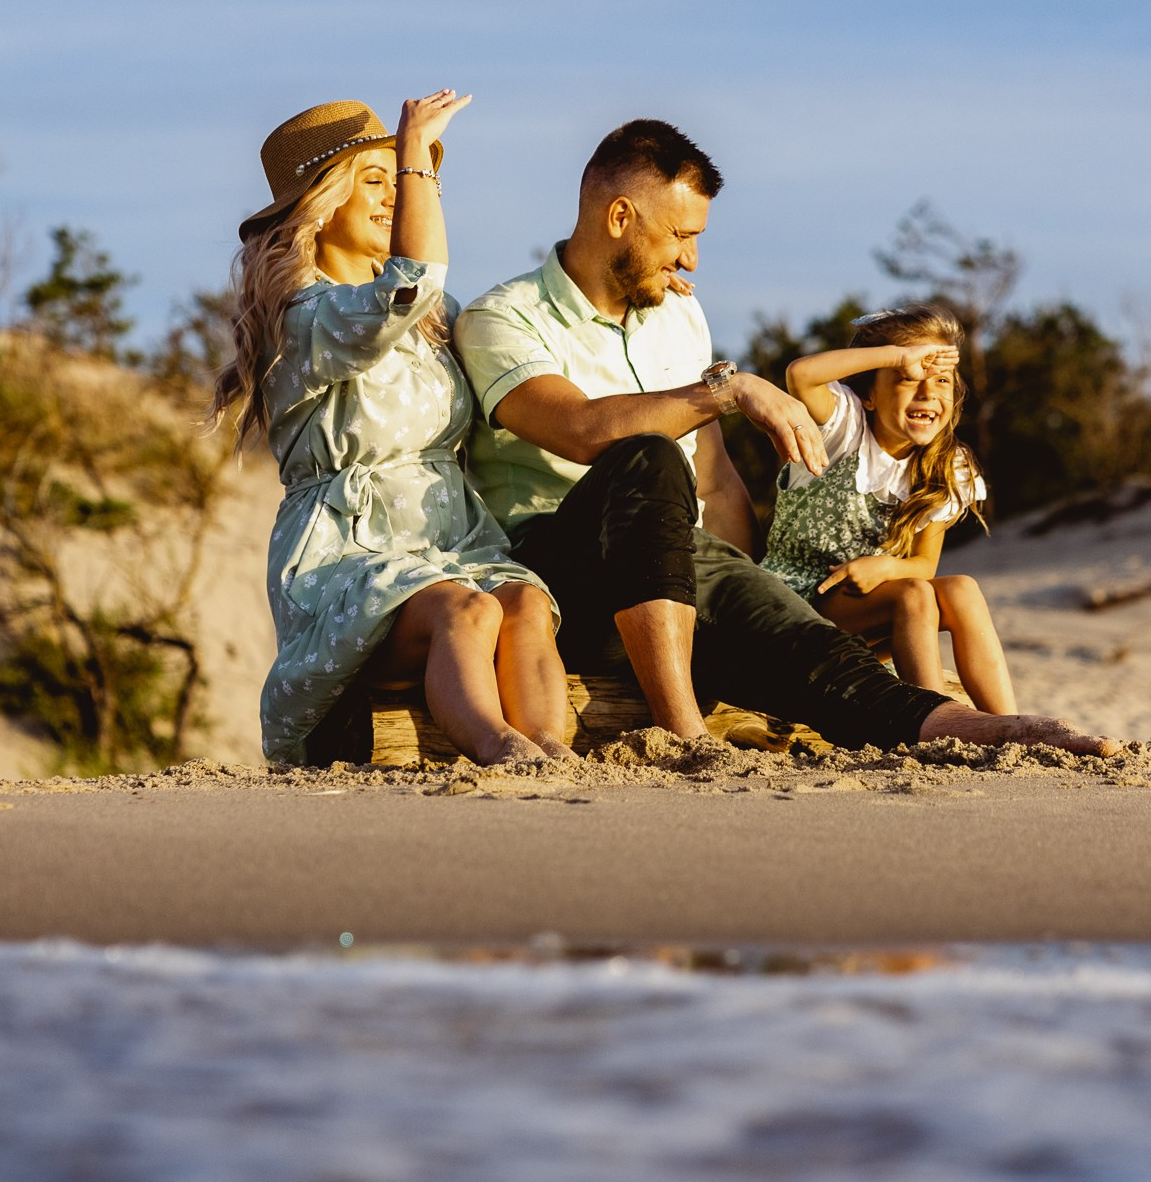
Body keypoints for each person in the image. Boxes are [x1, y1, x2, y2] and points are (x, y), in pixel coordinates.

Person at [456, 117, 1115, 755]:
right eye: (680, 234)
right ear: (620, 218)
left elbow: (712, 476)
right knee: (647, 455)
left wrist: (751, 590)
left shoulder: (678, 315)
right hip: (558, 578)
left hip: (668, 567)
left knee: (794, 634)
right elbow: (579, 430)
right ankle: (683, 735)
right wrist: (728, 390)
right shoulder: (503, 319)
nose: (691, 256)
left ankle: (980, 729)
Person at [215, 92, 570, 766]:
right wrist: (414, 159)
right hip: (351, 555)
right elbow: (409, 284)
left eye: (397, 179)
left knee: (522, 601)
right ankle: (499, 752)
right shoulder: (305, 319)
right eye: (374, 180)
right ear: (322, 203)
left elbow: (497, 342)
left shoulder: (438, 320)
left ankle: (551, 754)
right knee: (463, 610)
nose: (394, 197)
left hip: (454, 540)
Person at [763, 305, 1019, 713]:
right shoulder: (843, 430)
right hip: (791, 606)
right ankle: (932, 720)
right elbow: (800, 375)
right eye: (907, 377)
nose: (928, 392)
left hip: (867, 611)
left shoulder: (947, 465)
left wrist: (883, 567)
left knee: (962, 589)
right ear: (868, 395)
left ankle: (1007, 723)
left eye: (941, 380)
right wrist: (896, 355)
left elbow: (923, 564)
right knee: (914, 596)